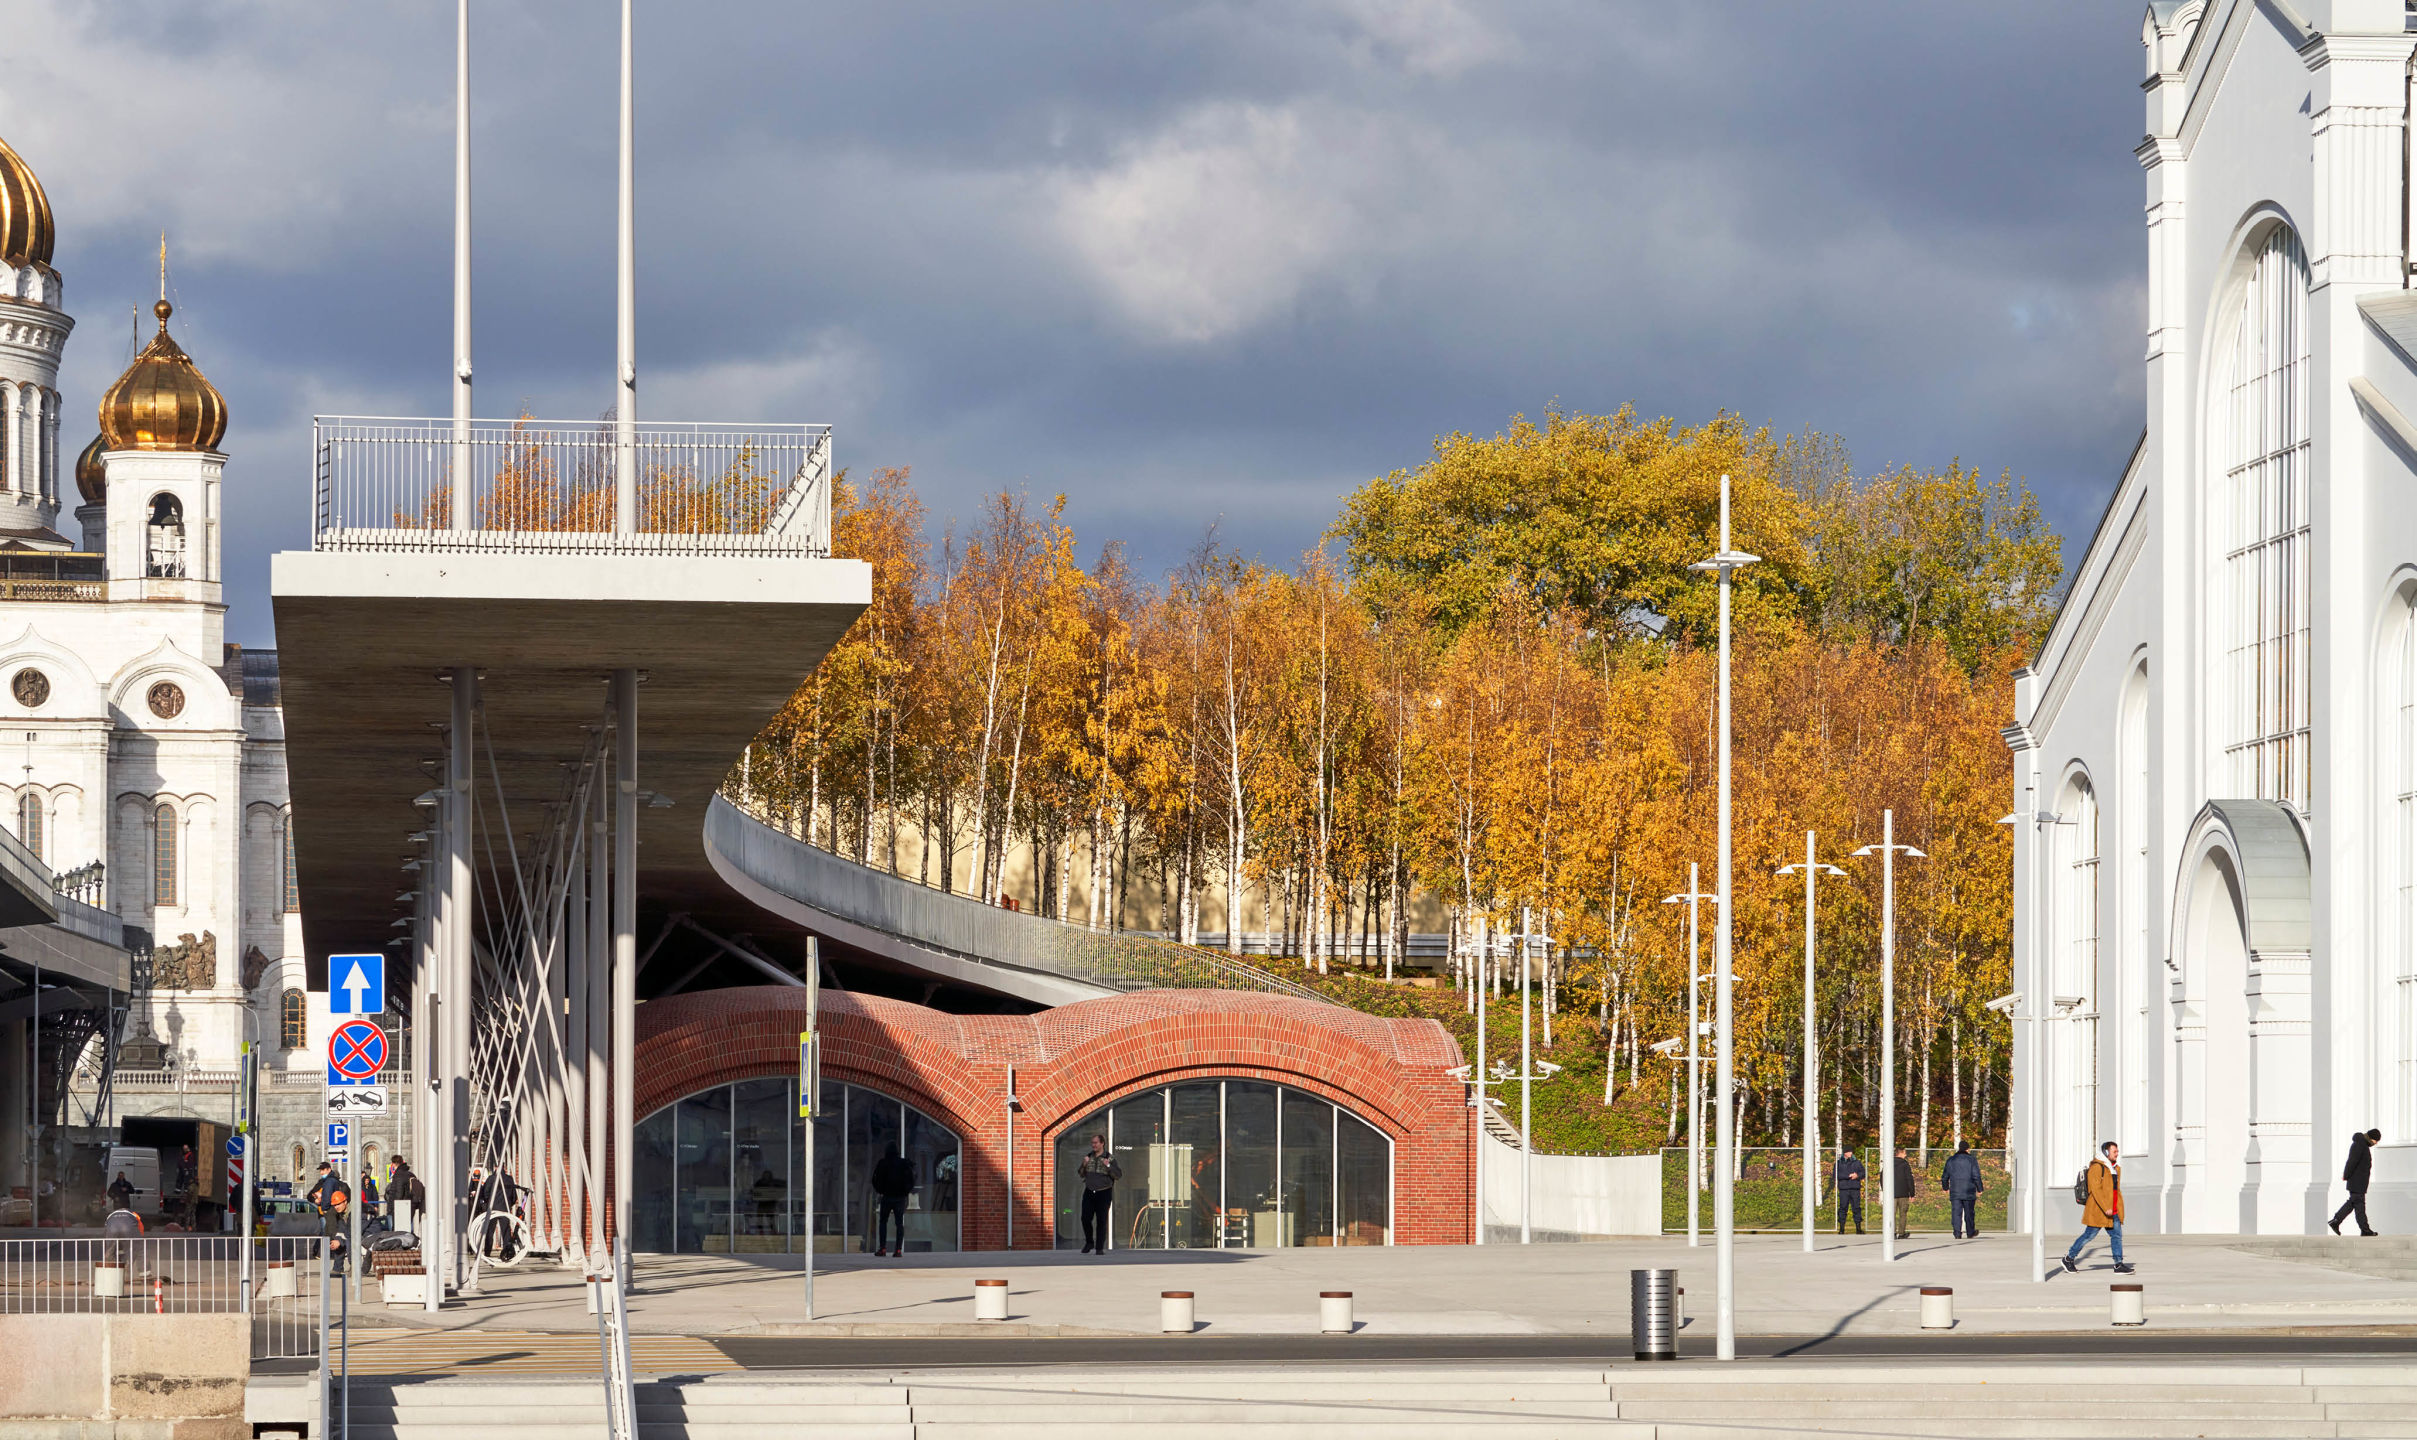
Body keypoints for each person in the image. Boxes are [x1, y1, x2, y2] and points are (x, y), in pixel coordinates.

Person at [2060, 1139, 2132, 1276]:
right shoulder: (2097, 1167)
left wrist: (2118, 1208)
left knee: (2117, 1236)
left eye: (2117, 1151)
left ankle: (2118, 1264)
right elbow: (2096, 1190)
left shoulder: (2115, 1168)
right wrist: (2106, 1207)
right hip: (2100, 1210)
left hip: (2113, 1209)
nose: (2117, 1153)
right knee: (2088, 1235)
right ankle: (2068, 1258)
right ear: (2106, 1152)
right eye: (2114, 1151)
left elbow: (2115, 1190)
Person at [2330, 1128, 2382, 1236]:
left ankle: (2336, 1221)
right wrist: (2346, 1175)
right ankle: (2364, 1229)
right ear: (2371, 1138)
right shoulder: (2360, 1145)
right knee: (2359, 1205)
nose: (2376, 1143)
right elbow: (2352, 1162)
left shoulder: (2362, 1144)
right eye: (2376, 1140)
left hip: (2359, 1182)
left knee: (2354, 1204)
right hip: (2357, 1182)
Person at [1076, 1133, 1121, 1254]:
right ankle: (1089, 1242)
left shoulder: (1109, 1158)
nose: (1093, 1145)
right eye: (1092, 1143)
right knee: (1085, 1218)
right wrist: (1084, 1165)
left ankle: (1099, 1247)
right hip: (1089, 1192)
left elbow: (1118, 1175)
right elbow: (1081, 1173)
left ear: (1102, 1143)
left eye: (1096, 1143)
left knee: (1101, 1220)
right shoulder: (1088, 1157)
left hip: (1104, 1192)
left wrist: (1109, 1166)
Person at [870, 1143, 914, 1257]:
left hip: (887, 1197)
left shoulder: (883, 1163)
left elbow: (874, 1179)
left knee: (883, 1222)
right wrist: (906, 1192)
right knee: (899, 1224)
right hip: (900, 1198)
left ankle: (883, 1248)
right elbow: (912, 1179)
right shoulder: (904, 1163)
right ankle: (898, 1250)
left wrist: (880, 1190)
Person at [1942, 1141, 1984, 1239]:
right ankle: (1970, 1232)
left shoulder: (1951, 1160)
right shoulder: (1971, 1160)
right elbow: (1976, 1175)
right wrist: (1980, 1188)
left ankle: (1957, 1233)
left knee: (1956, 1213)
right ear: (1967, 1149)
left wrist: (1945, 1187)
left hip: (1955, 1190)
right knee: (1969, 1212)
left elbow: (1945, 1176)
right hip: (1968, 1190)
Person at [1830, 1149, 1866, 1235]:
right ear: (1845, 1153)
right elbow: (1836, 1175)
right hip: (1844, 1189)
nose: (1851, 1153)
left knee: (1856, 1208)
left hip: (1855, 1188)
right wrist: (1848, 1176)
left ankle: (1858, 1229)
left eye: (1851, 1151)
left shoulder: (1857, 1162)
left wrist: (1857, 1175)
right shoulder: (1839, 1163)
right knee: (1843, 1208)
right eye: (1849, 1152)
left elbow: (1863, 1172)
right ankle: (1841, 1229)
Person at [1891, 1148, 1917, 1239]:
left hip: (1891, 1193)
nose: (1905, 1155)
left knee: (1891, 1214)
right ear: (1900, 1153)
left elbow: (1882, 1177)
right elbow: (1909, 1179)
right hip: (1903, 1193)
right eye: (1904, 1153)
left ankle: (1892, 1232)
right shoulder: (1905, 1164)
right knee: (1903, 1214)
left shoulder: (1889, 1163)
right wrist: (1912, 1193)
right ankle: (1901, 1233)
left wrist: (1885, 1189)